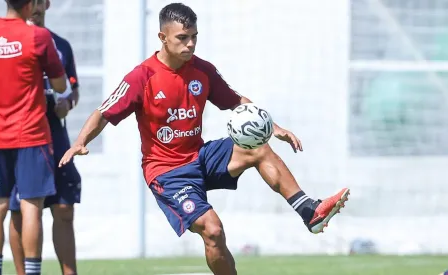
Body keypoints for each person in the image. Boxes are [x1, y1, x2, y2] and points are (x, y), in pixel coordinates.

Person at [59, 3, 349, 275]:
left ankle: (308, 211)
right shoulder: (142, 77)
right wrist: (80, 142)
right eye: (183, 38)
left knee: (257, 146)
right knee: (213, 230)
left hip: (200, 157)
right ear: (162, 36)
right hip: (167, 172)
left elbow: (238, 102)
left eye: (194, 37)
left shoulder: (202, 70)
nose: (190, 44)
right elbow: (104, 112)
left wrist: (274, 127)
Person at [0, 0, 66, 274]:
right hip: (31, 135)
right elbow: (60, 84)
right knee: (31, 206)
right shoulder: (39, 36)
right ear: (31, 4)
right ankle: (32, 272)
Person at [7, 1, 82, 275]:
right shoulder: (8, 42)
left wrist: (68, 102)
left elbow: (72, 88)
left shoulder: (60, 44)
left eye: (40, 1)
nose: (35, 7)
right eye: (30, 1)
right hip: (20, 134)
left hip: (55, 133)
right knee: (19, 210)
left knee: (64, 207)